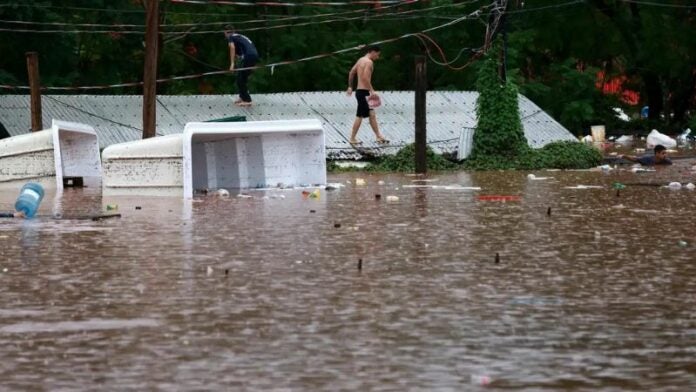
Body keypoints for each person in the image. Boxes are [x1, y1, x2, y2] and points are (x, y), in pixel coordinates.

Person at [346, 45, 388, 146]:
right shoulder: (369, 62)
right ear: (373, 52)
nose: (377, 57)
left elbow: (352, 72)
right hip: (364, 92)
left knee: (372, 114)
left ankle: (378, 135)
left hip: (360, 92)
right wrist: (372, 91)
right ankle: (352, 138)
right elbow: (365, 78)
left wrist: (350, 86)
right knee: (359, 115)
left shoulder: (361, 60)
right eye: (377, 55)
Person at [225, 30, 259, 107]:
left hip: (249, 57)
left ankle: (247, 100)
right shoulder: (240, 37)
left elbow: (232, 48)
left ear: (226, 32)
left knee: (240, 79)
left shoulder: (231, 37)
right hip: (253, 55)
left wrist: (232, 64)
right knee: (242, 77)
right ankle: (242, 97)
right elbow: (241, 52)